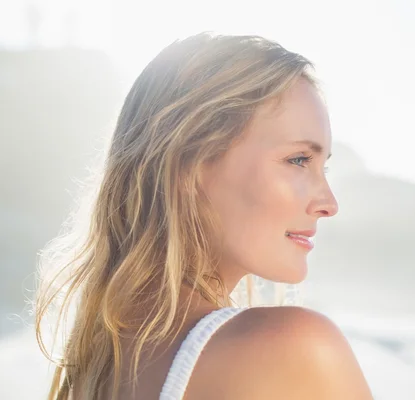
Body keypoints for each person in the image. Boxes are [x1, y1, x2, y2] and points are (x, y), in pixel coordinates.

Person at [35, 32, 374, 400]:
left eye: (324, 167)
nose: (328, 203)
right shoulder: (293, 348)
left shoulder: (96, 369)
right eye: (298, 160)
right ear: (189, 165)